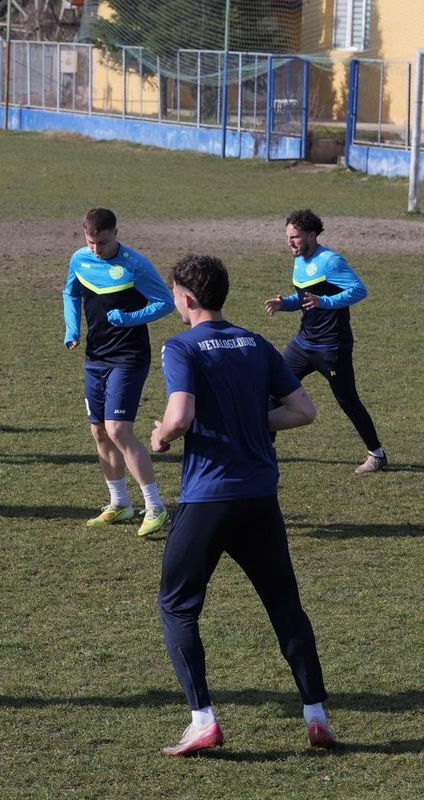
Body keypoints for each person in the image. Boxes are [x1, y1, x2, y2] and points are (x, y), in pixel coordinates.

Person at [152, 254, 334, 757]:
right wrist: (253, 423)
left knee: (177, 605)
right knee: (285, 606)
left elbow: (180, 416)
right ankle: (317, 715)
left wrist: (162, 437)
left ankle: (202, 721)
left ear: (188, 298)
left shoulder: (180, 346)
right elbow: (304, 410)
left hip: (208, 499)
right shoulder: (256, 342)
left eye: (175, 295)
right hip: (260, 497)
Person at [63, 208, 174, 537]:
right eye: (91, 242)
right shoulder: (80, 259)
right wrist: (72, 328)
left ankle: (155, 506)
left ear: (115, 233)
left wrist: (129, 319)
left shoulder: (135, 265)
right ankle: (120, 504)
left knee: (118, 430)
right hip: (95, 356)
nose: (96, 249)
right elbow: (71, 292)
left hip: (128, 356)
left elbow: (165, 303)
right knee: (99, 431)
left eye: (102, 242)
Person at [264, 209, 386, 474]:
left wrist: (326, 302)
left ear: (312, 235)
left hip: (331, 347)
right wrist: (286, 303)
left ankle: (377, 454)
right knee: (273, 388)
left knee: (347, 400)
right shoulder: (299, 259)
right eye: (288, 237)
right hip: (303, 343)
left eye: (295, 237)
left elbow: (359, 290)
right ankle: (267, 451)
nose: (290, 242)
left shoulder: (330, 261)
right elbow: (306, 298)